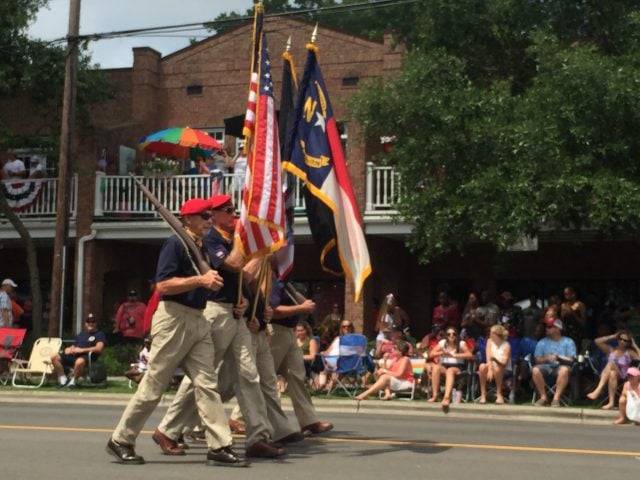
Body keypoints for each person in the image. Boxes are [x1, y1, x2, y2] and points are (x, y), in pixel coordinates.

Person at [106, 198, 246, 467]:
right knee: (154, 384)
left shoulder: (202, 247)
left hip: (198, 319)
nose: (208, 220)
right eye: (203, 216)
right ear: (187, 220)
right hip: (174, 318)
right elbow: (163, 285)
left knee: (207, 384)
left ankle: (219, 444)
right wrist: (200, 280)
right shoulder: (175, 244)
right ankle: (121, 439)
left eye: (209, 215)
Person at [154, 194, 283, 459]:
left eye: (234, 211)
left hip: (234, 315)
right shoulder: (212, 238)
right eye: (227, 211)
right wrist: (261, 249)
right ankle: (168, 428)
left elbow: (241, 281)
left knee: (249, 375)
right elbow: (236, 267)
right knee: (203, 376)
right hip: (214, 314)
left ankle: (258, 436)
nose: (233, 215)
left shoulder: (228, 240)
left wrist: (246, 302)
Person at [269, 271, 334, 436]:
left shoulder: (283, 279)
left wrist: (303, 302)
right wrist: (301, 308)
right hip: (275, 331)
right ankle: (238, 418)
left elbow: (297, 297)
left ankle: (309, 422)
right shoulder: (270, 278)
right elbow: (273, 310)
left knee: (297, 375)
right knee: (265, 377)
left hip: (289, 333)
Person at [586, 330, 640, 409]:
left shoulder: (629, 352)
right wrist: (612, 336)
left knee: (611, 363)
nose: (621, 341)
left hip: (624, 375)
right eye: (620, 339)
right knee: (612, 373)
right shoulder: (611, 349)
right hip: (610, 374)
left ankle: (598, 390)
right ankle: (611, 402)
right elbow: (597, 341)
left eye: (625, 340)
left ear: (628, 343)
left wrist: (634, 345)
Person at [50, 313, 106, 388]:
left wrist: (82, 350)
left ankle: (73, 382)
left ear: (96, 323)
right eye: (88, 322)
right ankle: (63, 378)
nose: (90, 324)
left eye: (93, 322)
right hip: (74, 355)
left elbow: (99, 348)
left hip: (87, 356)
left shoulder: (99, 334)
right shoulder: (82, 334)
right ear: (86, 323)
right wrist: (69, 349)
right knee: (54, 356)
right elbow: (74, 345)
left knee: (79, 361)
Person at [532, 318, 577, 407]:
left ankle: (556, 399)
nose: (546, 329)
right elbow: (537, 360)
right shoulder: (542, 342)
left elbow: (572, 359)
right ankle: (543, 397)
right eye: (546, 327)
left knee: (564, 370)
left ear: (558, 328)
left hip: (561, 367)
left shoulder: (568, 341)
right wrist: (546, 358)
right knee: (535, 370)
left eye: (549, 327)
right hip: (546, 367)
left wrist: (559, 358)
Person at [428, 326, 473, 408]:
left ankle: (446, 397)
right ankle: (434, 395)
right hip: (445, 365)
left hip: (457, 366)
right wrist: (442, 353)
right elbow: (431, 354)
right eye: (449, 334)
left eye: (454, 334)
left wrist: (456, 355)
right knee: (436, 368)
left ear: (457, 335)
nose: (451, 336)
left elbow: (469, 355)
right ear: (446, 335)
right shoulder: (443, 343)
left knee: (450, 371)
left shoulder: (461, 343)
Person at [478, 325, 512, 404]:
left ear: (497, 334)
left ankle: (499, 394)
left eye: (491, 333)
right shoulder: (489, 341)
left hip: (503, 368)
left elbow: (504, 363)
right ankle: (483, 395)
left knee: (497, 368)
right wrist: (490, 369)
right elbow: (488, 357)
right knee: (482, 366)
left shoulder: (507, 345)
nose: (489, 334)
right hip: (491, 366)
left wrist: (496, 360)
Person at [296, 320, 320, 384]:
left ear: (306, 330)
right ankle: (282, 387)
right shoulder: (294, 341)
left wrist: (299, 357)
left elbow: (312, 356)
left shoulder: (311, 341)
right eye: (298, 331)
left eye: (302, 330)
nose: (300, 333)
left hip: (306, 363)